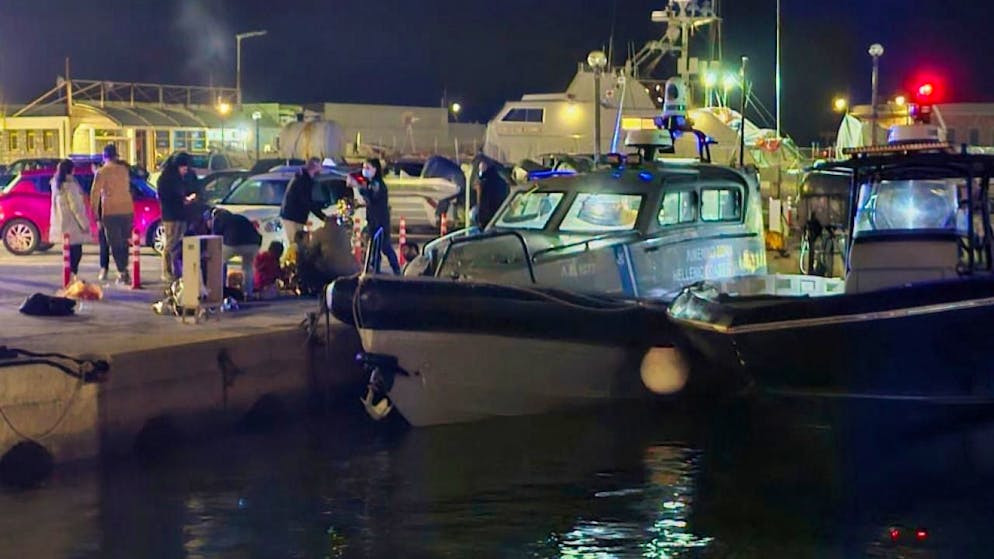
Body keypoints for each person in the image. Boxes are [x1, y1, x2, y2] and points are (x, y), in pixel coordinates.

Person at [90, 144, 133, 285]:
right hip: (127, 210)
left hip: (111, 211)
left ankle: (122, 272)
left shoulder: (102, 172)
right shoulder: (124, 170)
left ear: (104, 156)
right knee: (125, 242)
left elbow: (95, 194)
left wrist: (95, 214)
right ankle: (125, 268)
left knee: (115, 243)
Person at [352, 158, 401, 274]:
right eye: (364, 168)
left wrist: (361, 189)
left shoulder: (376, 184)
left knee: (383, 247)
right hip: (375, 220)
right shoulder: (371, 183)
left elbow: (373, 199)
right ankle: (381, 270)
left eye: (367, 168)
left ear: (375, 169)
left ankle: (393, 271)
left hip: (379, 222)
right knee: (378, 248)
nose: (365, 170)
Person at [157, 152, 195, 282]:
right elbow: (167, 197)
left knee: (178, 244)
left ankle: (176, 270)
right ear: (178, 166)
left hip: (180, 214)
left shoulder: (177, 178)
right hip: (171, 215)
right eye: (184, 168)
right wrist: (183, 200)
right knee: (171, 244)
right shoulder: (167, 179)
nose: (186, 171)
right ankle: (167, 271)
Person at [208, 208, 263, 299]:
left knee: (219, 262)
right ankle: (248, 293)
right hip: (253, 244)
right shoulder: (239, 217)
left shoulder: (218, 218)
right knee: (248, 268)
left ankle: (220, 290)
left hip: (233, 243)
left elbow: (215, 237)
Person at [49, 160, 89, 282]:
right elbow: (76, 207)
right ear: (71, 170)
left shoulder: (56, 184)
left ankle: (70, 275)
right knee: (76, 252)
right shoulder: (70, 185)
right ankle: (72, 275)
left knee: (68, 253)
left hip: (63, 223)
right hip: (73, 224)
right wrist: (84, 224)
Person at [280, 157, 326, 243]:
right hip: (293, 216)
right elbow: (306, 201)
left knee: (299, 243)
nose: (322, 168)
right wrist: (323, 217)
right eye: (320, 165)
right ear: (315, 166)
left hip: (295, 216)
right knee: (296, 244)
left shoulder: (304, 178)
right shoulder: (303, 180)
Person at [475, 158, 510, 229]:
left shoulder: (484, 182)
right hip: (499, 216)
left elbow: (481, 202)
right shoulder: (501, 180)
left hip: (488, 218)